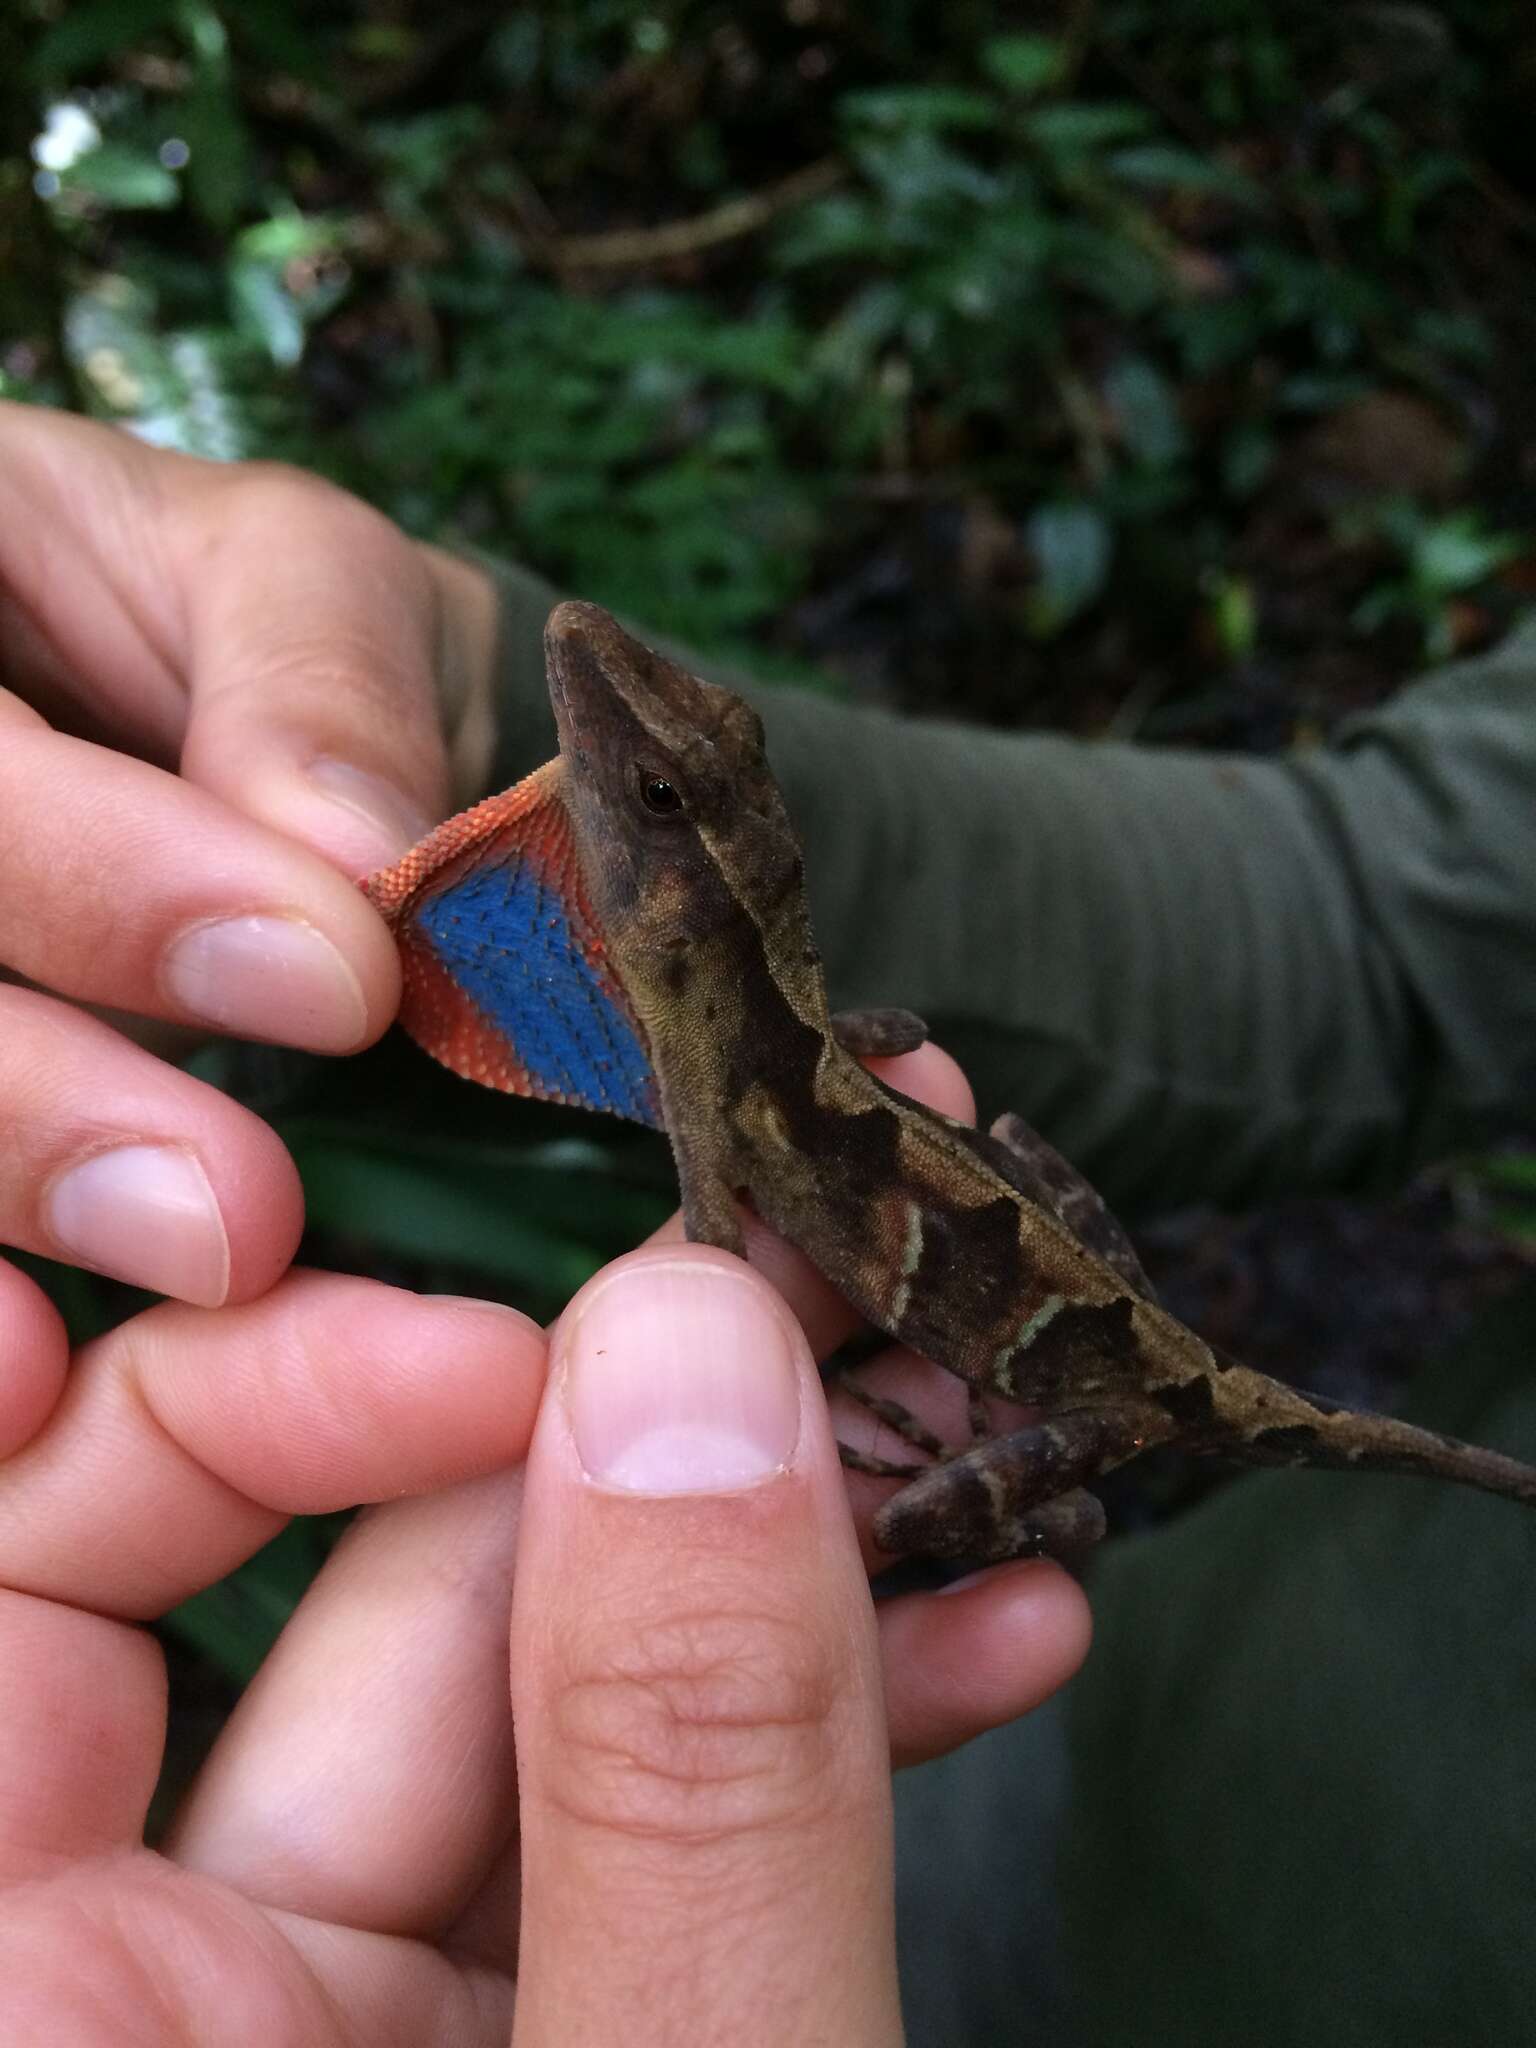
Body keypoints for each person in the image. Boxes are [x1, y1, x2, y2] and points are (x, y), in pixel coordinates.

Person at [2, 397, 1534, 2043]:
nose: (595, 692)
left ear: (685, 898)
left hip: (1090, 1457)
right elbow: (1390, 916)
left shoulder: (742, 1107)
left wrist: (776, 1528)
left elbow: (717, 1280)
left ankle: (1024, 1503)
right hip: (1004, 1818)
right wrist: (438, 668)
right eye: (669, 790)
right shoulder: (761, 1057)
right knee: (978, 1172)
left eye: (655, 805)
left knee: (939, 1510)